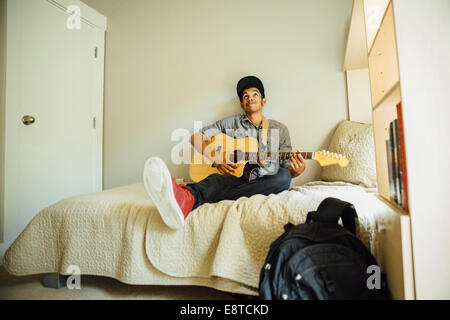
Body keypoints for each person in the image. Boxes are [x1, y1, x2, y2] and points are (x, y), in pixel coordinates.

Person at [143, 76, 306, 229]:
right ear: (242, 104)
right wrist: (216, 158)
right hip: (233, 179)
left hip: (264, 181)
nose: (250, 98)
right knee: (219, 179)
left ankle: (193, 196)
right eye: (245, 96)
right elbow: (195, 137)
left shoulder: (280, 129)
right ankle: (184, 197)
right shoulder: (231, 122)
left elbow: (286, 168)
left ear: (264, 100)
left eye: (255, 94)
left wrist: (295, 171)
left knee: (283, 178)